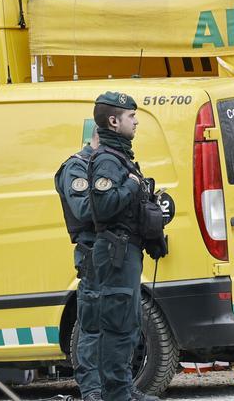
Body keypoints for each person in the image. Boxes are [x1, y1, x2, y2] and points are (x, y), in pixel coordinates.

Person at [87, 91, 167, 401]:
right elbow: (105, 206)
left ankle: (124, 389)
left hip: (127, 250)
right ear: (113, 121)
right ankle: (117, 394)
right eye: (131, 116)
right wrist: (132, 185)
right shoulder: (108, 161)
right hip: (115, 252)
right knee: (118, 325)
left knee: (129, 323)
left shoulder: (121, 158)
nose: (135, 122)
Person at [54, 127, 102, 401]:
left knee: (121, 325)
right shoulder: (77, 166)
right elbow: (83, 210)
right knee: (91, 326)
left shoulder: (113, 164)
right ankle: (92, 390)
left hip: (115, 253)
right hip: (92, 253)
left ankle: (117, 387)